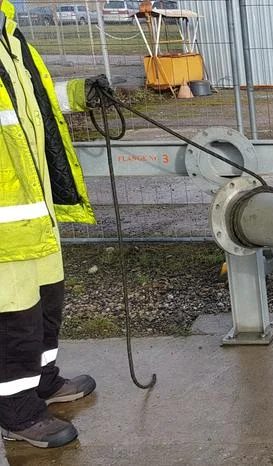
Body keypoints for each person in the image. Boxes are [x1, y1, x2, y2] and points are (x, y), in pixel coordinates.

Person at [0, 0, 110, 449]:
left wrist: (81, 94)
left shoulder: (10, 36)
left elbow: (34, 102)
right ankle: (17, 413)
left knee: (46, 303)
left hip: (33, 212)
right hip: (5, 226)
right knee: (14, 319)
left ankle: (41, 381)